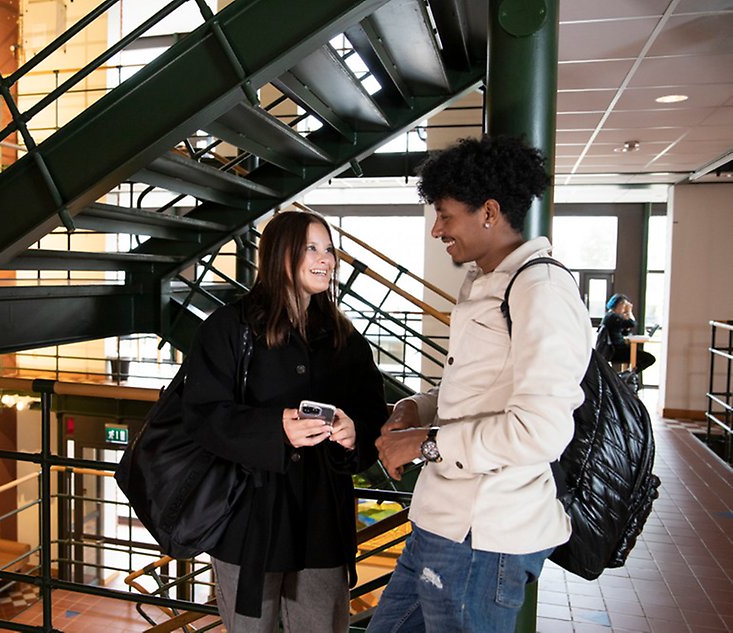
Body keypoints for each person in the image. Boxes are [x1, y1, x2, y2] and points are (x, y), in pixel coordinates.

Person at [366, 136, 593, 633]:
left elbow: (540, 430)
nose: (436, 230)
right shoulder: (487, 281)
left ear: (489, 211)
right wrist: (416, 408)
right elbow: (479, 389)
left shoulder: (541, 290)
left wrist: (423, 444)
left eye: (446, 215)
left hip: (483, 537)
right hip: (442, 525)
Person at [181, 210, 388, 632]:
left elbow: (371, 415)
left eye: (329, 248)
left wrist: (354, 435)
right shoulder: (229, 327)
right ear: (280, 255)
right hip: (247, 519)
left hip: (322, 518)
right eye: (312, 247)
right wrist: (275, 428)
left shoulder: (344, 338)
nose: (326, 258)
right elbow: (202, 414)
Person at [597, 293, 655, 372]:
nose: (625, 309)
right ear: (619, 304)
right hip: (615, 352)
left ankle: (628, 374)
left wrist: (625, 319)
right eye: (624, 306)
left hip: (614, 350)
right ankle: (629, 374)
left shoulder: (610, 316)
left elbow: (624, 332)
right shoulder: (613, 317)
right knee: (649, 358)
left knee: (638, 353)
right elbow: (632, 324)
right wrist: (629, 312)